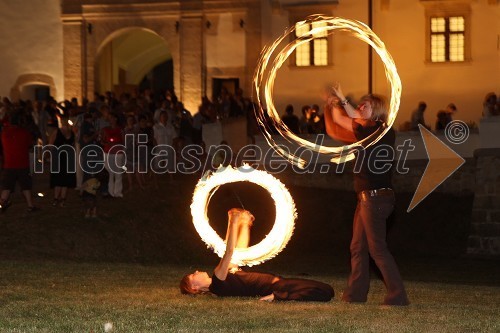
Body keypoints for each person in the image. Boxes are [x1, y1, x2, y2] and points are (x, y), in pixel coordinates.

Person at [325, 83, 409, 306]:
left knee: (377, 249)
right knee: (357, 247)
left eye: (366, 105)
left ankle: (397, 295)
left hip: (376, 198)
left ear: (378, 111)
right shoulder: (367, 131)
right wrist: (334, 103)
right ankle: (355, 295)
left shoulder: (380, 131)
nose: (361, 107)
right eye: (360, 103)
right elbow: (341, 120)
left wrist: (341, 99)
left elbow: (349, 117)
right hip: (366, 199)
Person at [180, 208, 334, 302]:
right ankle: (279, 297)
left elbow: (238, 251)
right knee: (325, 291)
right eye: (192, 275)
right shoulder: (217, 284)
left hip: (280, 283)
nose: (196, 271)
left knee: (325, 291)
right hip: (277, 286)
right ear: (194, 287)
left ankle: (281, 296)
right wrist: (232, 221)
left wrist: (245, 223)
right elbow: (229, 251)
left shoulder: (221, 282)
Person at [0, 112, 39, 213]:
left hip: (9, 164)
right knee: (25, 186)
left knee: (7, 186)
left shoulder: (5, 133)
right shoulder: (24, 132)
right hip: (22, 163)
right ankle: (30, 206)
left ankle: (2, 203)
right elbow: (29, 144)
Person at [49, 116, 76, 207]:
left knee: (60, 179)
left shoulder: (61, 132)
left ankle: (57, 199)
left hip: (61, 158)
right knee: (63, 179)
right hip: (65, 158)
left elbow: (50, 144)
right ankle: (61, 199)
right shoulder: (69, 132)